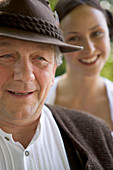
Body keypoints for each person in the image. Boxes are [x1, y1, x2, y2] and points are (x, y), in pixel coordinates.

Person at [0, 0, 113, 169]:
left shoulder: (97, 135)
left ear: (53, 70)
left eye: (40, 58)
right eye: (6, 55)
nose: (25, 75)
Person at [46, 0, 113, 131]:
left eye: (96, 33)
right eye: (74, 38)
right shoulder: (41, 99)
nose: (90, 49)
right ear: (60, 44)